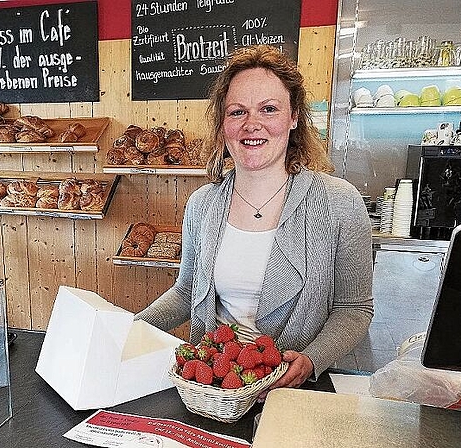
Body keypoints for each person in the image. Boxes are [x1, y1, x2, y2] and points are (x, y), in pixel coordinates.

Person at [135, 45, 373, 390]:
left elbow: (353, 309)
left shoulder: (339, 203)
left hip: (293, 389)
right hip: (213, 384)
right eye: (237, 112)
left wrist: (311, 360)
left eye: (269, 109)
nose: (252, 125)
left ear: (293, 117)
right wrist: (130, 328)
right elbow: (187, 292)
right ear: (223, 125)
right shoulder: (202, 205)